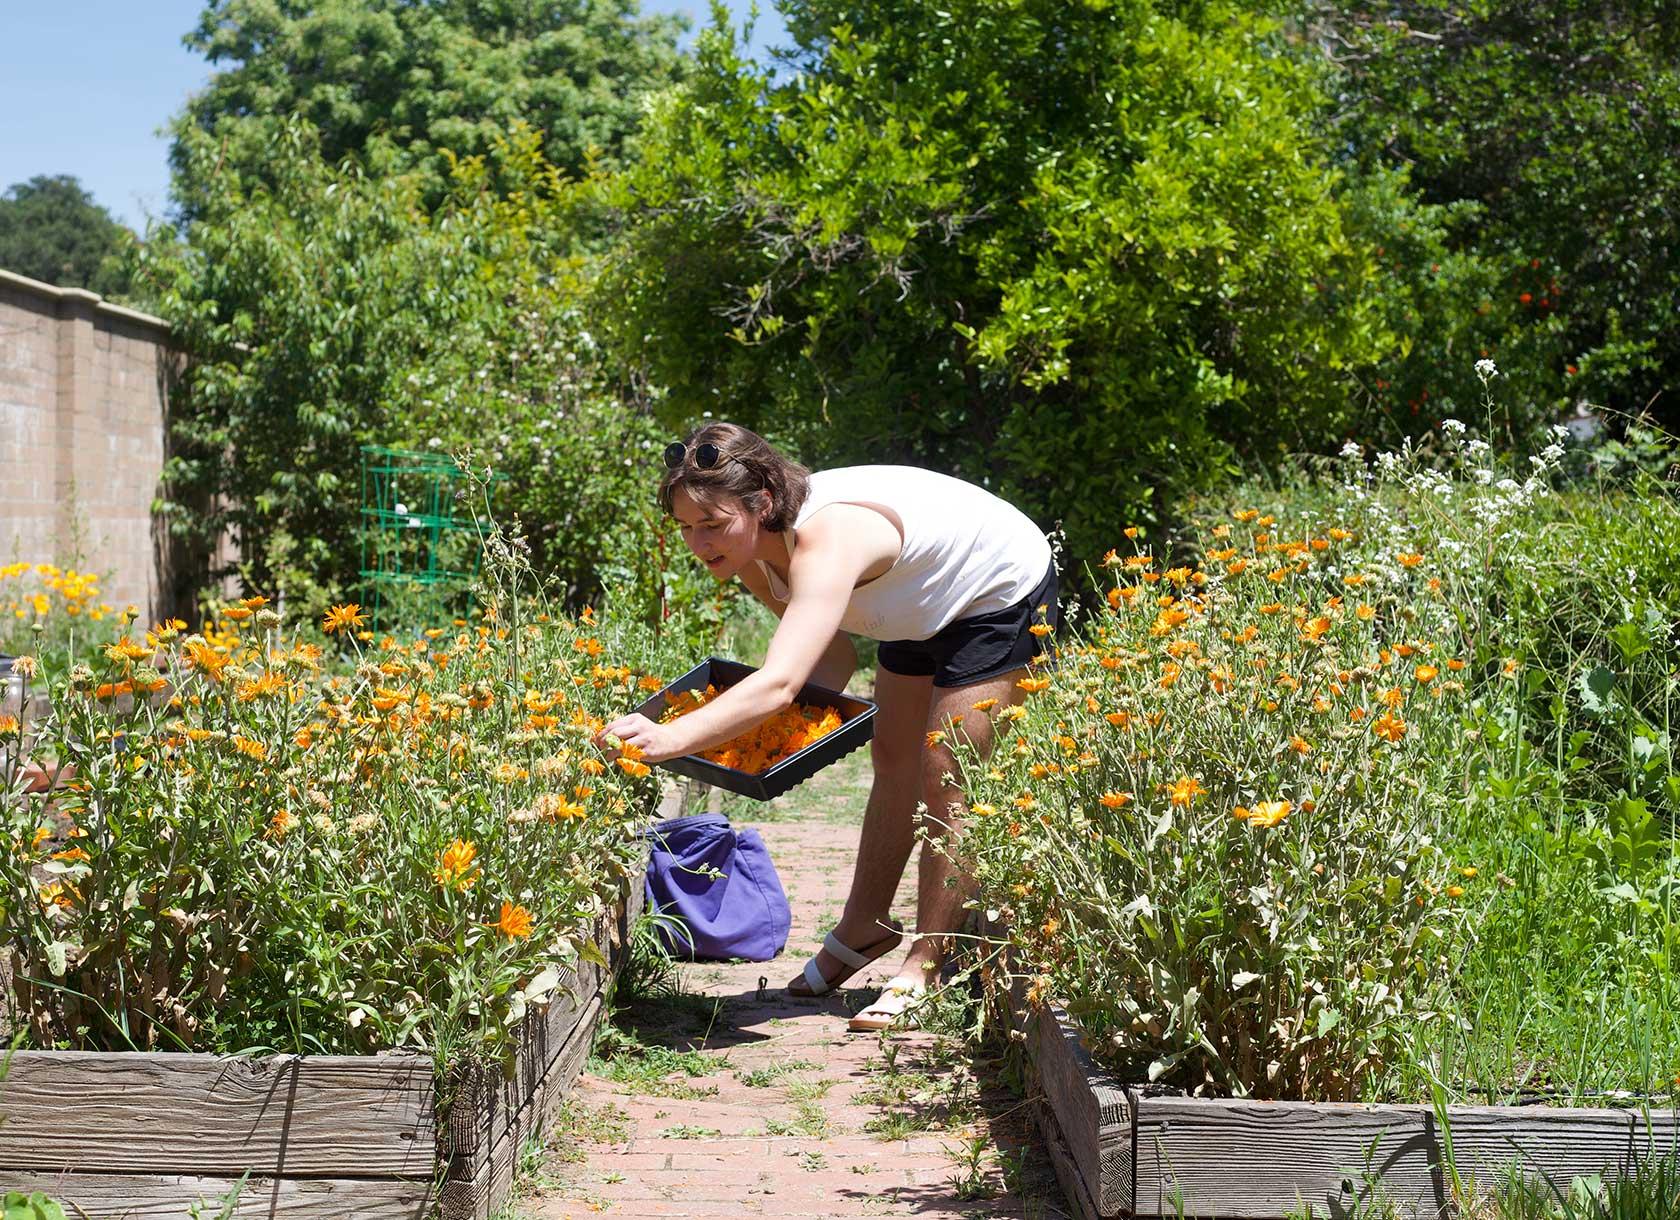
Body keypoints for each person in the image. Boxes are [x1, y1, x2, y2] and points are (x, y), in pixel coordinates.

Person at [597, 422, 1056, 1031]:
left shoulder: (826, 539)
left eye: (711, 524)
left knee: (947, 774)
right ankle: (865, 928)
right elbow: (832, 659)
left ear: (761, 502)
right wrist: (765, 739)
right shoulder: (757, 555)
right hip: (912, 603)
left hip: (992, 587)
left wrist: (673, 736)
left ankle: (926, 964)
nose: (697, 542)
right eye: (684, 526)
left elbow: (782, 681)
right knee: (892, 760)